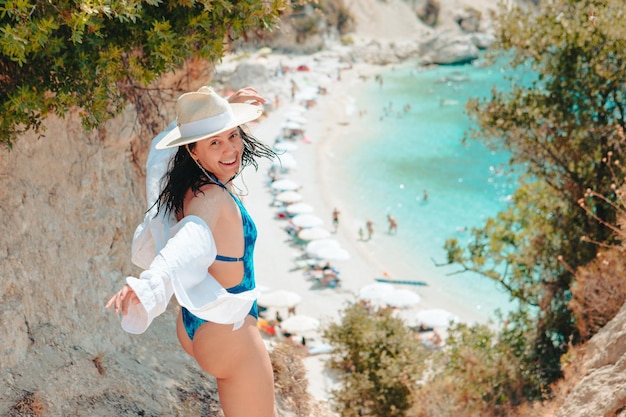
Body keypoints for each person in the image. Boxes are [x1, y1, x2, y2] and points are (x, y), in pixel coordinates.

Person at [105, 86, 278, 417]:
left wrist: (225, 106)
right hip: (229, 334)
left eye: (232, 135)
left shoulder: (183, 178)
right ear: (194, 152)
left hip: (194, 324)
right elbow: (190, 239)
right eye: (215, 142)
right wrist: (150, 282)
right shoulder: (211, 198)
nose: (230, 149)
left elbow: (160, 150)